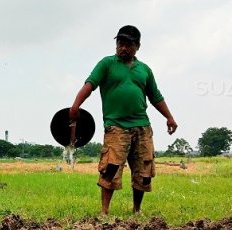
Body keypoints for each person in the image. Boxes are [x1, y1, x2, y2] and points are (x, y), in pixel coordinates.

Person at [69, 25, 177, 215]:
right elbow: (89, 85)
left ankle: (137, 210)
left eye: (128, 44)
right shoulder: (107, 64)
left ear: (138, 46)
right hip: (116, 127)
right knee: (110, 168)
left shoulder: (144, 70)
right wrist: (75, 106)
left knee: (143, 171)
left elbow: (155, 96)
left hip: (142, 127)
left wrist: (169, 117)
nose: (123, 48)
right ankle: (104, 212)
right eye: (120, 43)